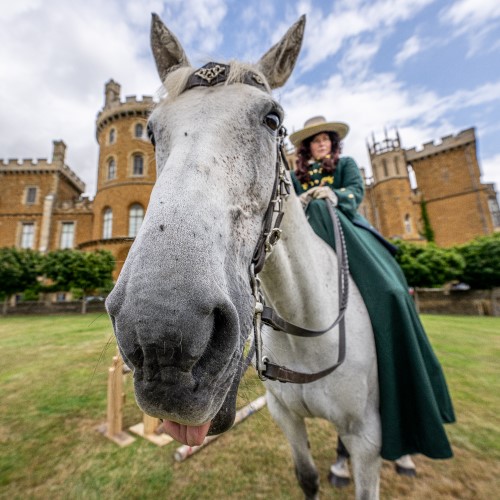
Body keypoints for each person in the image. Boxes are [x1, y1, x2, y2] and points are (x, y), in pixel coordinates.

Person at [288, 116, 455, 472]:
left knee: (393, 291)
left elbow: (354, 195)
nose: (322, 144)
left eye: (326, 139)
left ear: (333, 143)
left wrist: (332, 196)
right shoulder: (296, 174)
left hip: (348, 232)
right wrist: (301, 200)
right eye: (315, 141)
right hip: (309, 245)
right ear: (305, 147)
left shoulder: (345, 165)